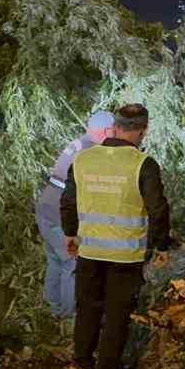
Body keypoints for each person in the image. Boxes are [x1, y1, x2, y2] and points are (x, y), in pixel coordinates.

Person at [60, 103, 172, 369]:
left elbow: (68, 202)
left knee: (87, 307)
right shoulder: (142, 164)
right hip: (126, 256)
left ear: (115, 127)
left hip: (89, 250)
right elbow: (158, 208)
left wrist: (71, 234)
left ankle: (82, 362)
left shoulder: (83, 159)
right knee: (116, 313)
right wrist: (161, 245)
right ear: (143, 131)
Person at [35, 111, 115, 320]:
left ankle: (52, 310)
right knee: (72, 263)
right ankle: (68, 317)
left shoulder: (79, 143)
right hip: (60, 208)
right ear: (106, 131)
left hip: (46, 203)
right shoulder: (91, 152)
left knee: (55, 259)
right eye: (114, 132)